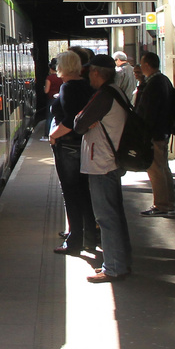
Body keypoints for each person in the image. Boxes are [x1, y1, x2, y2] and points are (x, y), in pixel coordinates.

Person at [65, 57, 133, 283]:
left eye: (90, 72)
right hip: (109, 162)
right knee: (115, 215)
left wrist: (82, 119)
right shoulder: (116, 92)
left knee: (106, 217)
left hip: (101, 162)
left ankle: (113, 267)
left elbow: (79, 124)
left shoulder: (104, 96)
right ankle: (118, 263)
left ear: (96, 73)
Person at [46, 50, 100, 257]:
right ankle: (90, 238)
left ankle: (75, 240)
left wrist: (54, 135)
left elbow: (71, 120)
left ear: (63, 67)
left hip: (68, 146)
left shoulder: (68, 87)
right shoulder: (87, 85)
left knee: (71, 193)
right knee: (84, 193)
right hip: (83, 145)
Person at [133, 50, 175, 216]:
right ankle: (168, 202)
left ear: (146, 65)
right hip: (163, 131)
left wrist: (144, 133)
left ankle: (161, 205)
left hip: (154, 133)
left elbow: (149, 111)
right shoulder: (164, 80)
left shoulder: (154, 84)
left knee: (155, 169)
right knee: (163, 167)